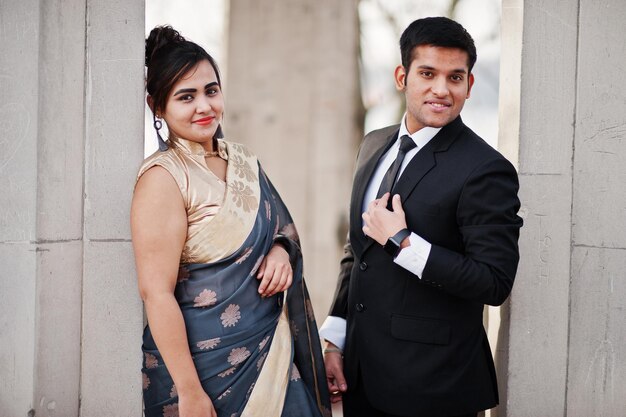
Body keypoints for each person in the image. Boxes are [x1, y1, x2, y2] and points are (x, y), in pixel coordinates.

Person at [319, 17, 523, 417]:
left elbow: (494, 282)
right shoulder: (373, 144)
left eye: (455, 77)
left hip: (435, 386)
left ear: (469, 84)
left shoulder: (485, 169)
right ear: (402, 76)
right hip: (362, 376)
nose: (442, 90)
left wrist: (403, 242)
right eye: (428, 74)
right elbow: (358, 250)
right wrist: (336, 339)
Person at [131, 26, 331, 417]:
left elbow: (282, 230)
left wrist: (280, 250)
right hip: (202, 372)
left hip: (270, 354)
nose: (204, 106)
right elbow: (157, 293)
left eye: (211, 90)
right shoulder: (163, 178)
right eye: (186, 97)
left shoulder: (245, 162)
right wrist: (189, 391)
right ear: (157, 106)